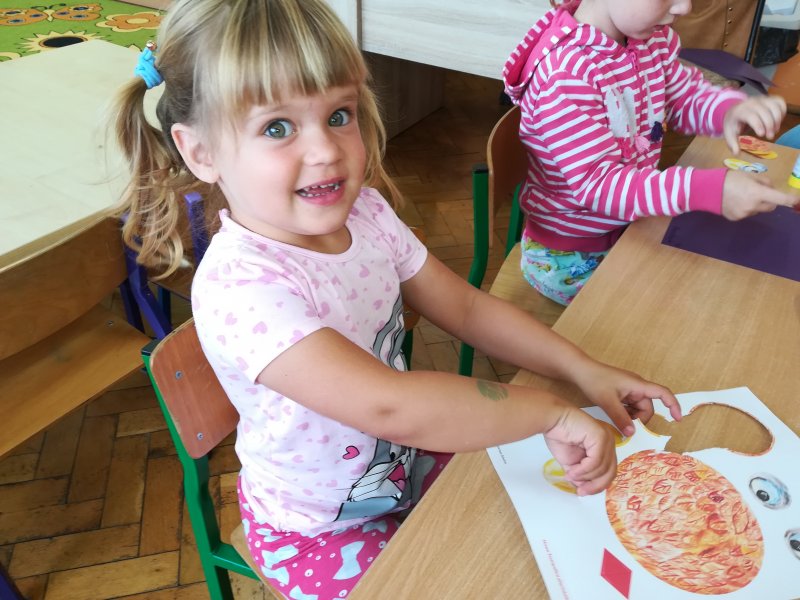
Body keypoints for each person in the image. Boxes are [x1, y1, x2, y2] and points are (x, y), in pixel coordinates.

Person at [113, 0, 682, 596]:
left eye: (339, 114)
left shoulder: (366, 212)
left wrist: (581, 368)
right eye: (277, 128)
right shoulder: (241, 288)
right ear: (201, 153)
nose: (326, 150)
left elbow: (466, 309)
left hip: (405, 466)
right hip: (317, 531)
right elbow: (389, 406)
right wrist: (551, 411)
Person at [504, 0, 799, 306]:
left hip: (630, 226)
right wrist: (706, 189)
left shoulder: (649, 40)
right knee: (697, 304)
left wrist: (727, 110)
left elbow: (684, 97)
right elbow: (601, 187)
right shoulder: (566, 73)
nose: (685, 8)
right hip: (573, 257)